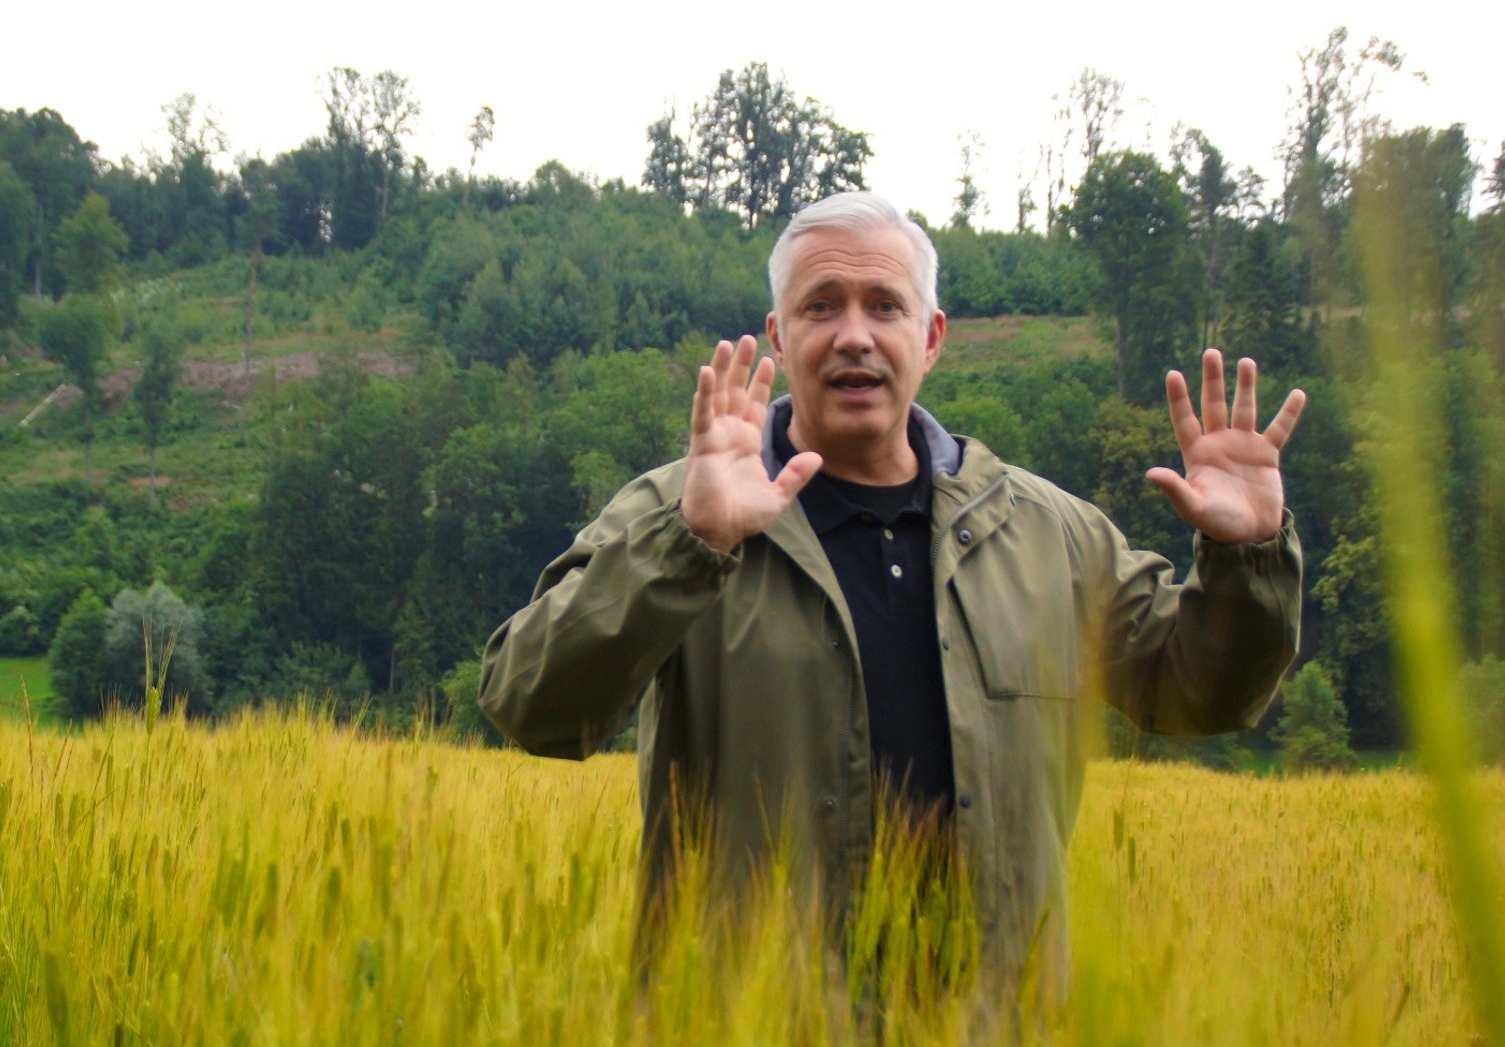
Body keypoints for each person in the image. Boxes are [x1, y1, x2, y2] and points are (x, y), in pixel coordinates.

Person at [477, 191, 1306, 989]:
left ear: (932, 335)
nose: (854, 336)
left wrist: (1247, 558)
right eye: (821, 306)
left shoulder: (1049, 534)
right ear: (777, 333)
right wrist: (689, 546)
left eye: (884, 305)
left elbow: (1202, 692)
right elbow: (533, 702)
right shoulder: (682, 510)